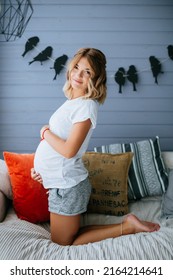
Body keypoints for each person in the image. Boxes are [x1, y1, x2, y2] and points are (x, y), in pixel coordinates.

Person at [31, 47, 160, 246]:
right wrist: (43, 172)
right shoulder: (73, 102)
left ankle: (128, 227)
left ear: (96, 78)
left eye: (87, 72)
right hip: (60, 183)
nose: (79, 75)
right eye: (76, 67)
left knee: (63, 243)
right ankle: (127, 224)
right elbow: (59, 146)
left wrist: (45, 132)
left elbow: (69, 150)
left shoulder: (86, 105)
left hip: (68, 185)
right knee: (68, 236)